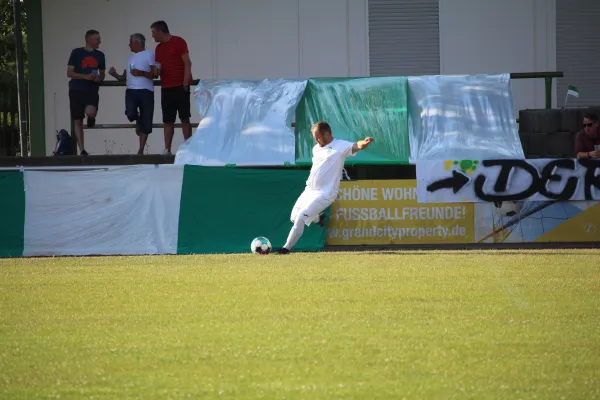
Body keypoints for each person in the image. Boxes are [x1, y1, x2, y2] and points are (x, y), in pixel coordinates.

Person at [275, 121, 373, 255]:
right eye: (314, 137)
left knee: (300, 219)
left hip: (325, 193)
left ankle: (285, 249)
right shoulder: (316, 148)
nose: (316, 139)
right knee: (294, 217)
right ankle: (318, 218)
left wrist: (364, 144)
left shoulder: (340, 146)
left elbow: (356, 145)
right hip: (309, 190)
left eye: (318, 136)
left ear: (327, 134)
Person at [150, 20, 193, 155]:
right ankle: (167, 149)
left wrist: (185, 83)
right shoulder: (158, 48)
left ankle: (189, 148)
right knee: (168, 119)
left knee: (184, 118)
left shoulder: (179, 42)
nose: (152, 36)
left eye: (153, 32)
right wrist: (156, 72)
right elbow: (158, 67)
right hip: (166, 87)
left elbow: (187, 63)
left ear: (160, 31)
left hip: (180, 86)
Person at [108, 33, 156, 155]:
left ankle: (140, 150)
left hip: (146, 91)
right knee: (130, 113)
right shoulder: (130, 58)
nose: (129, 44)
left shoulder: (149, 54)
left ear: (136, 42)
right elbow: (124, 78)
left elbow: (154, 74)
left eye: (130, 41)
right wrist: (114, 74)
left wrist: (141, 73)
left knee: (146, 119)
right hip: (131, 91)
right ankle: (137, 119)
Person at [66, 29, 106, 156]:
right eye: (97, 39)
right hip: (76, 89)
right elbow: (69, 72)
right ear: (89, 40)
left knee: (91, 111)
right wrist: (85, 76)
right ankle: (82, 149)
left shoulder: (100, 55)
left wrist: (99, 77)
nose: (99, 41)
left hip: (92, 89)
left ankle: (91, 117)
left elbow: (102, 72)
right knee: (77, 120)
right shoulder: (76, 53)